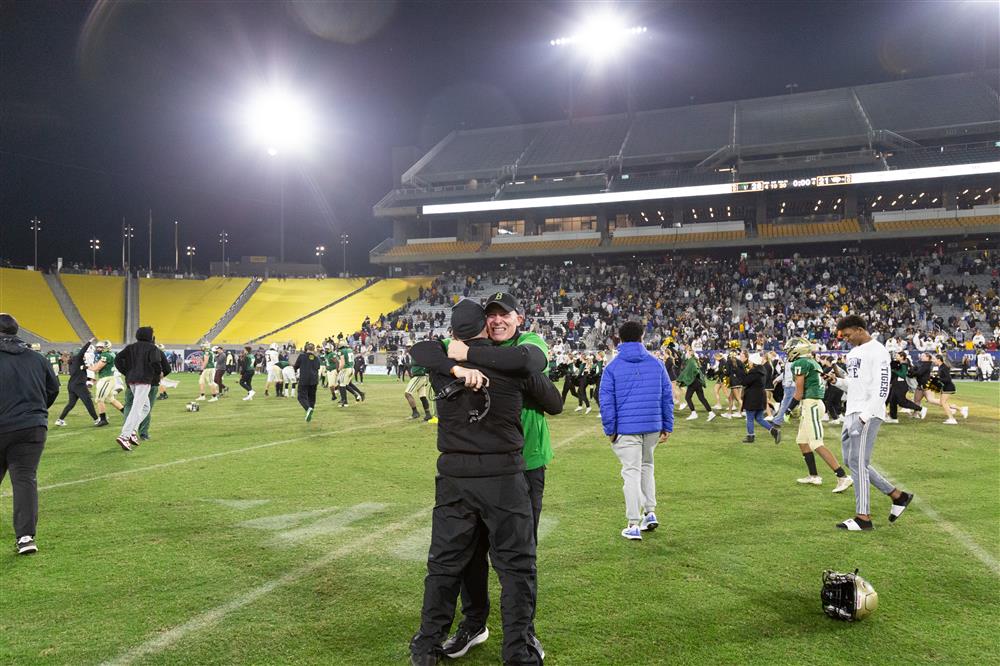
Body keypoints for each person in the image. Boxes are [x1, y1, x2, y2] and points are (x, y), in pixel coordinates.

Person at [409, 299, 561, 666]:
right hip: (503, 478)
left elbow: (421, 351)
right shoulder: (509, 362)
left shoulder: (444, 360)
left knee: (445, 565)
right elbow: (553, 400)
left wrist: (457, 364)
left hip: (455, 479)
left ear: (453, 331)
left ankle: (427, 649)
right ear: (485, 326)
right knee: (516, 566)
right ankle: (518, 652)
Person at [830, 315, 914, 531]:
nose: (846, 339)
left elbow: (882, 388)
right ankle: (898, 496)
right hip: (851, 411)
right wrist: (837, 382)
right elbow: (856, 385)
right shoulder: (853, 352)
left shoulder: (878, 351)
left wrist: (864, 417)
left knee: (858, 463)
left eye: (848, 335)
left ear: (859, 329)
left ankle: (863, 517)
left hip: (866, 414)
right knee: (852, 461)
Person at [599, 320, 673, 541]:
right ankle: (650, 512)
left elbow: (606, 402)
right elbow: (666, 396)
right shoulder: (656, 363)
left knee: (631, 472)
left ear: (619, 339)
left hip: (626, 428)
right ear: (642, 337)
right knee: (647, 467)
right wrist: (667, 425)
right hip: (651, 425)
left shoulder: (612, 367)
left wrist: (610, 430)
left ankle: (633, 523)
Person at [0, 313, 60, 554]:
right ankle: (25, 537)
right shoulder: (37, 358)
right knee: (25, 480)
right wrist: (35, 411)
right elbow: (53, 389)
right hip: (31, 427)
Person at [782, 337, 852, 492]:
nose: (788, 353)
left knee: (816, 443)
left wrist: (787, 409)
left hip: (811, 404)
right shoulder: (812, 362)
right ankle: (813, 475)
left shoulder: (800, 363)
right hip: (812, 403)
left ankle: (842, 476)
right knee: (802, 441)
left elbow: (798, 392)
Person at [113, 326, 171, 452]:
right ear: (150, 336)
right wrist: (158, 373)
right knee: (137, 408)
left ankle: (133, 431)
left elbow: (117, 359)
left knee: (145, 407)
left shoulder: (130, 347)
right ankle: (124, 436)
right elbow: (156, 361)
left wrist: (126, 372)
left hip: (131, 380)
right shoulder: (152, 348)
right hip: (144, 380)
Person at [121, 342, 170, 442]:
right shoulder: (156, 351)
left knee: (129, 406)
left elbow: (121, 363)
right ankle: (141, 433)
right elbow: (167, 368)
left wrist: (128, 375)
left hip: (132, 383)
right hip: (149, 383)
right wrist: (157, 376)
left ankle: (128, 430)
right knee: (145, 407)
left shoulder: (132, 350)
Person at [55, 337, 101, 427]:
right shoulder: (77, 359)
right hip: (79, 385)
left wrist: (89, 379)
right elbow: (82, 351)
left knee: (71, 404)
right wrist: (89, 342)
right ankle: (96, 419)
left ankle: (60, 420)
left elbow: (79, 373)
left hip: (72, 385)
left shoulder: (72, 363)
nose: (84, 355)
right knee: (88, 402)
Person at [738, 352, 781, 444]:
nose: (748, 362)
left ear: (753, 363)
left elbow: (744, 382)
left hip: (753, 398)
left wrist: (741, 369)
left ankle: (750, 436)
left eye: (749, 361)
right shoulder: (762, 371)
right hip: (760, 397)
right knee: (759, 418)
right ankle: (774, 431)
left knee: (750, 418)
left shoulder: (754, 372)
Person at [676, 346, 716, 421]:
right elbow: (686, 365)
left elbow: (694, 370)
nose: (686, 354)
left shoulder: (691, 361)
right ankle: (711, 413)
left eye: (687, 353)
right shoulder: (692, 360)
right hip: (697, 382)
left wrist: (686, 378)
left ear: (690, 354)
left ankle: (693, 413)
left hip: (694, 382)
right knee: (702, 398)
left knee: (687, 397)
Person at [91, 340, 124, 426]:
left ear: (106, 347)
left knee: (99, 399)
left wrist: (85, 367)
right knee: (111, 399)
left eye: (101, 347)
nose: (98, 348)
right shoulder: (110, 353)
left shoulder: (105, 355)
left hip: (106, 379)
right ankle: (127, 414)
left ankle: (103, 419)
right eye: (98, 347)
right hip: (109, 378)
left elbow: (96, 368)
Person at [293, 343, 322, 422]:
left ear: (306, 348)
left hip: (304, 379)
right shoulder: (316, 358)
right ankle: (310, 411)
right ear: (314, 349)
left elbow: (296, 366)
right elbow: (318, 367)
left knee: (301, 396)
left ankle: (308, 409)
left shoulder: (302, 356)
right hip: (314, 380)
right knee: (311, 397)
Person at [335, 342, 365, 406]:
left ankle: (345, 402)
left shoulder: (341, 351)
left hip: (345, 369)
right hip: (351, 368)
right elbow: (353, 361)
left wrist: (339, 369)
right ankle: (359, 394)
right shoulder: (350, 350)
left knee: (342, 385)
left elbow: (342, 363)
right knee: (347, 384)